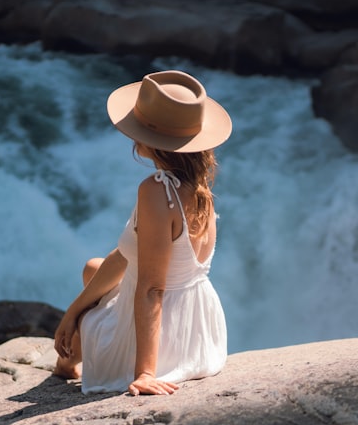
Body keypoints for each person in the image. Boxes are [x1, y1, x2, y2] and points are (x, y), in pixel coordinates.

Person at [53, 69, 231, 395]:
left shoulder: (157, 191)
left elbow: (152, 288)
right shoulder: (198, 187)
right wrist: (74, 309)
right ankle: (71, 358)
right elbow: (126, 256)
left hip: (166, 342)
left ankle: (69, 362)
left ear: (155, 142)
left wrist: (145, 372)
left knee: (97, 295)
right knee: (94, 268)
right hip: (199, 331)